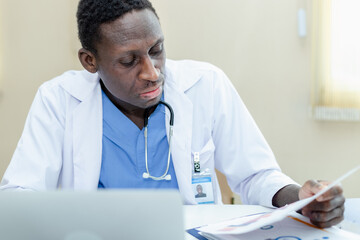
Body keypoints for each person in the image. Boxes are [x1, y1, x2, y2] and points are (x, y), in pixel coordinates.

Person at [0, 0, 344, 228]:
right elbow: (18, 196)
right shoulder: (59, 100)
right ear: (90, 61)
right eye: (129, 60)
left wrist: (300, 199)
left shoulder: (205, 84)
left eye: (157, 50)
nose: (152, 72)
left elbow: (255, 176)